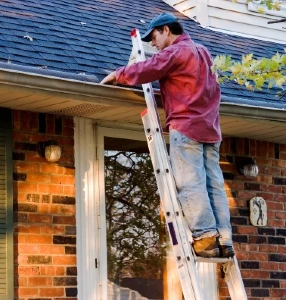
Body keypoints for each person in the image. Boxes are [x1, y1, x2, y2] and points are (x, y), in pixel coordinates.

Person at [100, 12, 234, 258]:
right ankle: (224, 239)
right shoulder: (203, 52)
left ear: (166, 30)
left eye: (153, 37)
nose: (152, 44)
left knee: (190, 183)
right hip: (210, 129)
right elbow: (212, 91)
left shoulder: (176, 52)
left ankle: (205, 238)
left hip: (187, 128)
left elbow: (151, 67)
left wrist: (119, 74)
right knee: (213, 184)